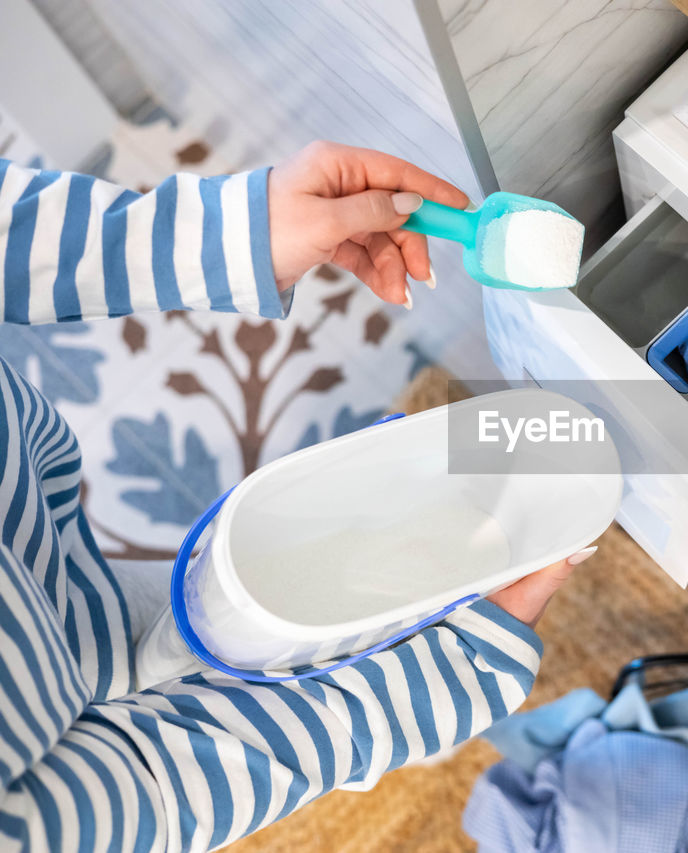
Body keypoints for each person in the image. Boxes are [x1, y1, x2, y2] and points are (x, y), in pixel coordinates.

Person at [0, 141, 593, 851]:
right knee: (278, 651)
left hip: (49, 570)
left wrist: (229, 232)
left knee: (191, 617)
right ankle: (372, 667)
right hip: (44, 723)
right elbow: (139, 796)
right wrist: (431, 685)